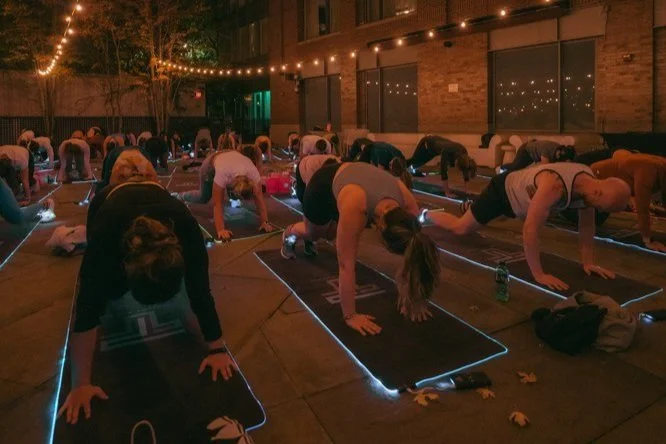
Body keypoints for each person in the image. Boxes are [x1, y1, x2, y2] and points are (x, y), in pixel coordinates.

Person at [57, 158, 234, 425]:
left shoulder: (183, 223)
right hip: (111, 199)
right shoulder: (106, 232)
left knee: (184, 298)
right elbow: (87, 308)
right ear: (125, 266)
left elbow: (199, 289)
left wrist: (217, 349)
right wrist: (80, 384)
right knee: (106, 294)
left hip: (155, 196)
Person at [281, 162, 440, 335]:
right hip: (323, 187)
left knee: (334, 232)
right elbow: (346, 265)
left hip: (352, 184)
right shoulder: (356, 206)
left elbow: (415, 253)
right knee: (315, 234)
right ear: (380, 227)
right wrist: (350, 316)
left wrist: (413, 299)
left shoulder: (409, 207)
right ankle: (289, 235)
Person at [425, 163, 631, 291]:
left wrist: (588, 263)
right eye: (602, 208)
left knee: (505, 218)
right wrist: (539, 275)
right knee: (461, 228)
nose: (599, 211)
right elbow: (530, 230)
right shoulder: (554, 186)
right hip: (502, 194)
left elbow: (587, 226)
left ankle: (473, 207)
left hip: (523, 200)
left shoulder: (590, 187)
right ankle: (425, 214)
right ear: (598, 193)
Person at [178, 146, 273, 241]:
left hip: (230, 157)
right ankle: (180, 196)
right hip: (210, 165)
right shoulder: (223, 174)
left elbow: (259, 199)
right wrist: (221, 230)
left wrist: (265, 222)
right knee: (203, 197)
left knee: (250, 194)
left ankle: (234, 196)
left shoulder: (254, 174)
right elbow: (217, 204)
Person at [592, 150, 666, 252]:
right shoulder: (648, 170)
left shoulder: (660, 168)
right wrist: (649, 240)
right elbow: (642, 209)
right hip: (595, 180)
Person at [408, 135, 478, 198]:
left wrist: (466, 190)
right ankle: (403, 167)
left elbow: (465, 169)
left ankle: (408, 167)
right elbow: (443, 171)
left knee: (416, 163)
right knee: (415, 161)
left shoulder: (464, 153)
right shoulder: (447, 151)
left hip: (434, 147)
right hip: (427, 144)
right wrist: (447, 192)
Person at [502, 140, 576, 173]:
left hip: (533, 153)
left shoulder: (558, 150)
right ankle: (501, 168)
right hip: (526, 150)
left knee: (520, 167)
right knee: (516, 167)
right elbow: (544, 166)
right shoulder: (547, 150)